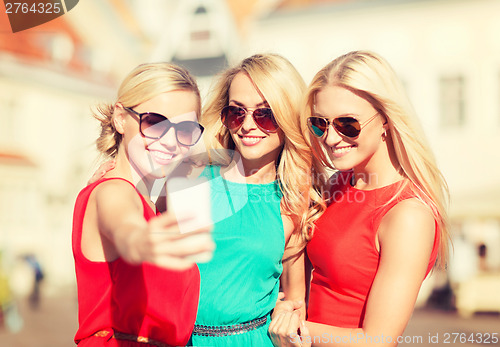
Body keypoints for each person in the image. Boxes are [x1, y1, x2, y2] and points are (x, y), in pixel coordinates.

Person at [269, 50, 450, 346]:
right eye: (320, 124)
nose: (330, 138)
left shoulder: (408, 214)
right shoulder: (339, 183)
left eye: (347, 124)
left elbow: (377, 340)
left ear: (386, 122)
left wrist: (284, 325)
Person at [72, 62, 214, 346]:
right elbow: (124, 224)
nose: (171, 140)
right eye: (155, 122)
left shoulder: (155, 200)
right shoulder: (113, 191)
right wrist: (137, 240)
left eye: (185, 130)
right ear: (121, 118)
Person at [186, 53, 318, 346]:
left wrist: (287, 312)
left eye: (265, 114)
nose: (247, 125)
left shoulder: (294, 203)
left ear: (287, 118)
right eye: (236, 112)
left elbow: (296, 304)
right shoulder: (192, 179)